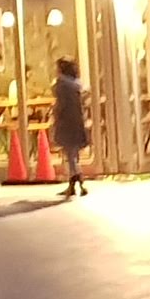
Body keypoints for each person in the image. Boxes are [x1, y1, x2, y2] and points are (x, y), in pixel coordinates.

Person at [49, 56, 93, 199]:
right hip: (77, 122)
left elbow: (60, 105)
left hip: (65, 122)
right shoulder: (77, 84)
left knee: (70, 155)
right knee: (73, 154)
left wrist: (54, 116)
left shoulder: (61, 84)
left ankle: (78, 180)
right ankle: (73, 184)